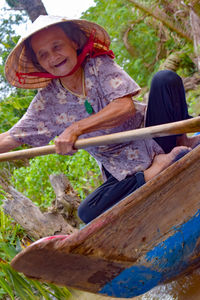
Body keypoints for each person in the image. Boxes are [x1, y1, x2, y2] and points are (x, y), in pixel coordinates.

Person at [1, 15, 198, 224]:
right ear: (40, 63)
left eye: (57, 46)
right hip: (122, 169)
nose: (53, 57)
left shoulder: (98, 65)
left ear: (74, 42)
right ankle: (155, 170)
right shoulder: (46, 102)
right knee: (88, 212)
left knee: (165, 79)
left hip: (155, 137)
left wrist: (76, 128)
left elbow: (125, 107)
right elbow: (12, 137)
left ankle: (180, 142)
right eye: (43, 55)